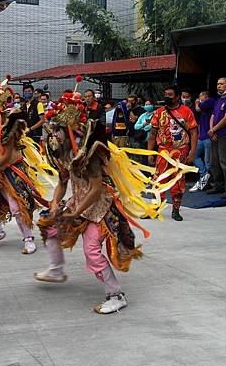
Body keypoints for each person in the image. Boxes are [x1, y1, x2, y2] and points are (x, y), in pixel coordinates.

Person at [34, 90, 192, 313]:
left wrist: (75, 211)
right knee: (49, 227)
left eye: (57, 130)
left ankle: (116, 295)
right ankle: (57, 269)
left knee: (91, 250)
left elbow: (97, 188)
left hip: (99, 206)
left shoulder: (91, 151)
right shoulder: (62, 150)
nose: (52, 136)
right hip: (78, 203)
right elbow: (62, 180)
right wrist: (54, 204)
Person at [0, 81, 52, 254]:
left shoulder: (9, 126)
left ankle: (29, 239)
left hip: (10, 171)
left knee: (17, 208)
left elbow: (7, 155)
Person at [148, 86, 198, 221]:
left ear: (177, 97)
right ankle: (155, 209)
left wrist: (192, 152)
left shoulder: (186, 111)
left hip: (180, 152)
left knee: (178, 181)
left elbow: (193, 132)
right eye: (165, 94)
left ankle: (176, 210)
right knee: (158, 180)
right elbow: (152, 134)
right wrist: (150, 153)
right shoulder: (159, 112)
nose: (167, 97)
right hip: (163, 151)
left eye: (170, 95)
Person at [207, 77, 226, 198]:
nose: (219, 86)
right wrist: (211, 130)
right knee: (214, 162)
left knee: (225, 162)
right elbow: (213, 116)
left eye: (221, 84)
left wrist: (214, 130)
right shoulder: (218, 100)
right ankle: (218, 185)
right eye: (217, 84)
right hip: (215, 134)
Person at [190, 91, 215, 192]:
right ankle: (204, 175)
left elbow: (197, 108)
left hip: (208, 137)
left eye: (201, 96)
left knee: (208, 160)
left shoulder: (210, 101)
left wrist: (196, 102)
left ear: (206, 96)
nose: (199, 98)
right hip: (201, 136)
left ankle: (206, 181)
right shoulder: (203, 106)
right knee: (194, 155)